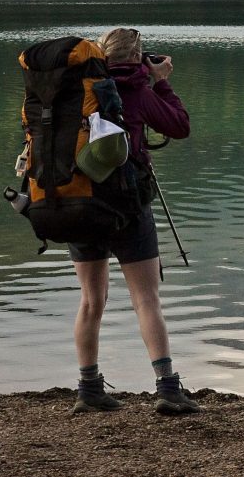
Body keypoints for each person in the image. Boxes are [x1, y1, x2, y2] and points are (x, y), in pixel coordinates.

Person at [67, 28, 199, 416]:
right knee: (146, 299)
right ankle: (168, 390)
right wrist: (162, 83)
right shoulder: (139, 92)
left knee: (91, 300)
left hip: (80, 205)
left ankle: (89, 388)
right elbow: (179, 126)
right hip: (127, 206)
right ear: (140, 57)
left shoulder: (79, 93)